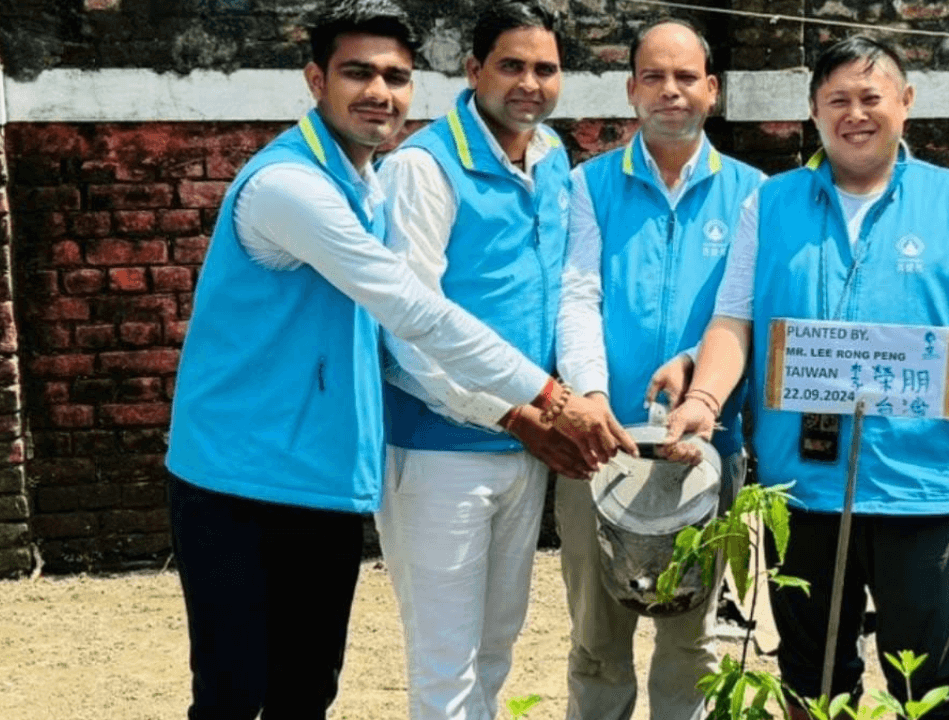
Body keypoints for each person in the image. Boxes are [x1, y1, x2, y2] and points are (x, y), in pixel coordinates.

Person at [164, 2, 626, 717]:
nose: (379, 92)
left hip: (325, 471)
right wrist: (549, 398)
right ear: (315, 80)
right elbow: (413, 314)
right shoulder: (292, 187)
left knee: (306, 691)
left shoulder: (369, 180)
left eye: (396, 77)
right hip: (238, 473)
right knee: (233, 694)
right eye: (358, 73)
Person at [662, 36, 949, 720]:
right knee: (811, 679)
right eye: (838, 100)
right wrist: (705, 398)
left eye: (871, 97)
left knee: (932, 684)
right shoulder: (770, 205)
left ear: (906, 103)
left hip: (921, 490)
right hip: (801, 491)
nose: (855, 114)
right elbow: (735, 320)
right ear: (814, 111)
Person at [370, 3, 633, 719]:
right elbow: (407, 332)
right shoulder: (423, 167)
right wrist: (513, 414)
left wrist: (574, 400)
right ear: (473, 69)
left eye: (545, 68)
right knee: (445, 665)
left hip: (525, 446)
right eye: (511, 66)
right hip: (438, 449)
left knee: (495, 650)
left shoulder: (550, 155)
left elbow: (569, 295)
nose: (529, 83)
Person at [552, 18, 765, 720]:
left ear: (713, 89)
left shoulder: (756, 194)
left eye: (686, 77)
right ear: (631, 89)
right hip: (598, 443)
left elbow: (752, 314)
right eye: (654, 77)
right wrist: (591, 396)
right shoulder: (588, 187)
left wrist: (703, 378)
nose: (670, 91)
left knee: (691, 643)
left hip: (706, 446)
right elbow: (577, 297)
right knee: (595, 641)